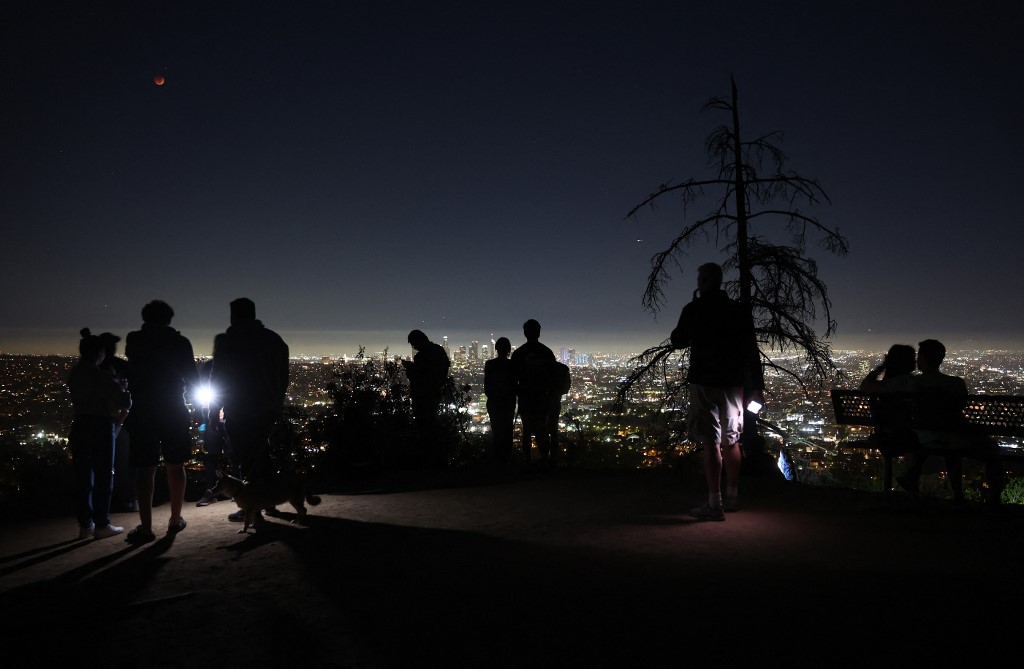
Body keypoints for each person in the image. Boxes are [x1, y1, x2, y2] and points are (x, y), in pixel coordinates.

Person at [670, 263, 762, 521]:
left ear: (702, 283)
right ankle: (732, 496)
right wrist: (756, 387)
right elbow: (751, 351)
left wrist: (692, 306)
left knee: (711, 443)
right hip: (734, 383)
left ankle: (714, 503)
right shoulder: (738, 311)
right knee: (732, 441)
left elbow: (678, 340)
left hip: (704, 382)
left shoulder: (694, 309)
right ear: (720, 282)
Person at [869, 339, 1003, 504]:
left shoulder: (908, 382)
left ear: (923, 359)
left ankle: (930, 484)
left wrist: (882, 366)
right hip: (954, 437)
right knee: (993, 450)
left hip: (926, 437)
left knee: (947, 447)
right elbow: (961, 406)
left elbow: (868, 387)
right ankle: (992, 499)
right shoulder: (956, 383)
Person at [123, 300, 199, 544]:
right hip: (173, 407)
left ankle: (146, 528)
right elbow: (192, 376)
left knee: (145, 469)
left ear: (145, 318)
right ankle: (175, 519)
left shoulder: (135, 340)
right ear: (169, 319)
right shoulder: (180, 343)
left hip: (143, 409)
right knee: (176, 465)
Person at [210, 298, 290, 522]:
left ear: (233, 316)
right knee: (263, 456)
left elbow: (218, 377)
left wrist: (214, 410)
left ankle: (252, 508)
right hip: (266, 408)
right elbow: (283, 377)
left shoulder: (229, 342)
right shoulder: (274, 340)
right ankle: (269, 501)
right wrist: (276, 404)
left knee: (245, 458)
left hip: (239, 409)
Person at [67, 328, 132, 540]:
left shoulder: (75, 374)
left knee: (83, 477)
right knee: (104, 475)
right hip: (101, 425)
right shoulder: (101, 376)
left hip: (80, 423)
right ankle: (102, 523)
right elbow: (124, 402)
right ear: (100, 354)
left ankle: (85, 525)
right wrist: (123, 389)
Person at [98, 332, 137, 513]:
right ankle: (126, 499)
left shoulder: (94, 368)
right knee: (122, 461)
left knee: (109, 463)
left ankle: (113, 501)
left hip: (109, 418)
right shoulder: (117, 367)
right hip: (117, 418)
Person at [401, 330, 451, 468]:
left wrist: (410, 368)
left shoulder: (421, 356)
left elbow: (417, 377)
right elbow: (444, 368)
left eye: (413, 344)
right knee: (432, 424)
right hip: (434, 393)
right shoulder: (438, 350)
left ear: (418, 341)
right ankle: (438, 459)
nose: (413, 347)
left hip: (422, 396)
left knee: (424, 427)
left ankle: (428, 460)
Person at [510, 319, 556, 467]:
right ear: (539, 332)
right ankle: (544, 459)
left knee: (527, 430)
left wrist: (520, 392)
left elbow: (513, 378)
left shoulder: (518, 354)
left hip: (526, 398)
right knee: (542, 429)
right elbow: (552, 376)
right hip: (542, 397)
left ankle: (527, 461)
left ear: (525, 333)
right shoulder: (546, 352)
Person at [195, 358, 234, 507]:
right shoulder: (207, 383)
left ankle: (236, 491)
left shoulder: (226, 376)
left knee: (234, 457)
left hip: (229, 419)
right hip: (214, 422)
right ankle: (212, 491)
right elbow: (201, 408)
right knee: (213, 458)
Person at [484, 337, 516, 466]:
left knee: (497, 431)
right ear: (509, 350)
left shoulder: (490, 364)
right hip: (508, 403)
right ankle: (506, 459)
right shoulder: (512, 365)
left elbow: (487, 387)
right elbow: (514, 385)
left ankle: (497, 459)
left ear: (496, 349)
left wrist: (496, 395)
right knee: (507, 431)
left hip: (494, 403)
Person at [546, 360, 571, 467]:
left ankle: (542, 458)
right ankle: (553, 460)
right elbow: (566, 389)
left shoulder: (538, 367)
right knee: (553, 431)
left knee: (540, 431)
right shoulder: (562, 369)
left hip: (538, 403)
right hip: (554, 402)